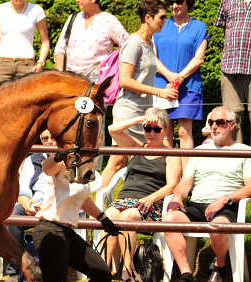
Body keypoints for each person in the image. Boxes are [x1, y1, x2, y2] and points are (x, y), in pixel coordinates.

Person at [0, 148, 118, 282]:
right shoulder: (61, 163)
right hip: (50, 230)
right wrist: (61, 156)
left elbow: (81, 198)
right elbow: (47, 167)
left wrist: (102, 218)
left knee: (101, 273)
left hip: (67, 232)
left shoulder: (85, 165)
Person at [163, 106, 251, 282]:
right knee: (169, 220)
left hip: (226, 206)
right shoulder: (199, 150)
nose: (214, 126)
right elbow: (185, 183)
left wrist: (226, 197)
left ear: (232, 125)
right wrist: (177, 196)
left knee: (217, 227)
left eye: (219, 122)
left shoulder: (244, 151)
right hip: (197, 205)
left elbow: (250, 187)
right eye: (211, 122)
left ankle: (219, 264)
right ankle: (187, 277)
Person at [101, 108, 182, 282]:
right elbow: (113, 130)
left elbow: (171, 185)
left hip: (151, 204)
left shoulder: (171, 154)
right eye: (147, 128)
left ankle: (126, 274)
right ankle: (103, 274)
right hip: (124, 200)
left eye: (156, 129)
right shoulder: (136, 147)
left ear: (166, 130)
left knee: (128, 216)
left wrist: (150, 198)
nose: (151, 133)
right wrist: (140, 118)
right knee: (109, 215)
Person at [101, 0, 179, 189]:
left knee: (165, 152)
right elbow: (126, 81)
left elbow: (148, 70)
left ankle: (167, 195)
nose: (165, 21)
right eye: (161, 17)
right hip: (128, 109)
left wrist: (168, 78)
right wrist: (160, 91)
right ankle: (90, 206)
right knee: (117, 161)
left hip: (145, 110)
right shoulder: (133, 42)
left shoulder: (149, 42)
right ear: (148, 18)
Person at [153, 0, 208, 168]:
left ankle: (186, 179)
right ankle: (169, 176)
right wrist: (169, 76)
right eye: (171, 2)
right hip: (162, 87)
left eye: (178, 2)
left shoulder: (199, 26)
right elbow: (151, 55)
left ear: (188, 2)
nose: (174, 6)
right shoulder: (161, 24)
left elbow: (199, 58)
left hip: (189, 87)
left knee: (184, 133)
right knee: (165, 133)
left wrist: (178, 78)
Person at [3, 130, 53, 282]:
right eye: (45, 138)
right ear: (41, 139)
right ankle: (14, 271)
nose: (49, 141)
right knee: (13, 216)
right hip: (34, 204)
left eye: (53, 137)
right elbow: (22, 190)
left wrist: (46, 205)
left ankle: (48, 271)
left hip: (57, 205)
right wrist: (27, 205)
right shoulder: (32, 159)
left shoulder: (68, 158)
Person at [53, 0, 128, 82]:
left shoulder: (109, 21)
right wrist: (61, 76)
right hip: (69, 78)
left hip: (96, 79)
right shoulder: (73, 19)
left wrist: (112, 63)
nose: (77, 0)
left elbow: (129, 45)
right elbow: (60, 50)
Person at [0, 0, 50, 85]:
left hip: (27, 65)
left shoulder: (37, 10)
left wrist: (40, 63)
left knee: (27, 97)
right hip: (1, 65)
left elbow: (45, 41)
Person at [215, 0, 251, 145]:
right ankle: (236, 164)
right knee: (231, 121)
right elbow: (226, 30)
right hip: (230, 67)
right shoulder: (227, 1)